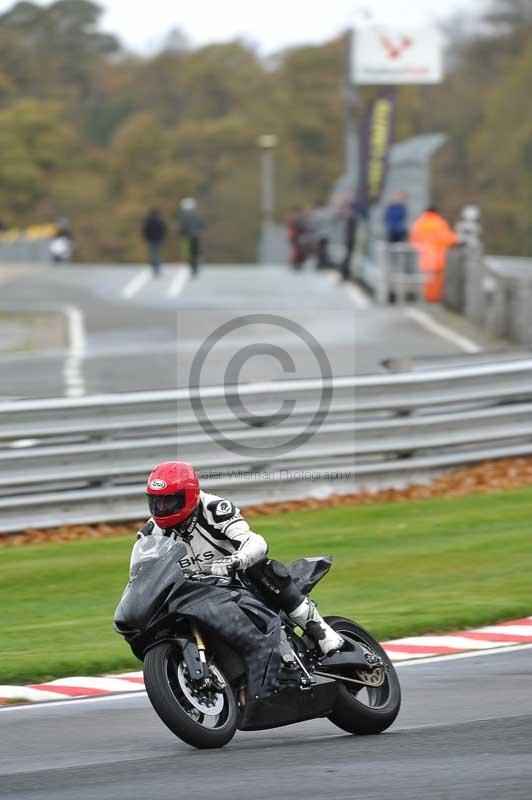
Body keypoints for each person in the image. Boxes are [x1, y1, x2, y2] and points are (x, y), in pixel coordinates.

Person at [137, 461, 344, 657]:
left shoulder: (214, 509)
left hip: (237, 582)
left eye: (169, 501)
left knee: (262, 568)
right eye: (157, 501)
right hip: (195, 592)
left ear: (189, 496)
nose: (162, 508)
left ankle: (320, 629)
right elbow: (141, 572)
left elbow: (255, 542)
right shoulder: (150, 533)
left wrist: (236, 560)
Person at [410, 206, 458, 302]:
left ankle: (422, 298)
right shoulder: (439, 223)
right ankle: (433, 300)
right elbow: (448, 239)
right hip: (437, 258)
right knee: (435, 281)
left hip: (421, 258)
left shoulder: (418, 223)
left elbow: (413, 240)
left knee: (424, 280)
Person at [179, 197, 203, 276]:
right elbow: (201, 224)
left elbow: (183, 226)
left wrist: (181, 233)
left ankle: (193, 267)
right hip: (196, 236)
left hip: (187, 237)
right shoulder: (196, 214)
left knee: (188, 253)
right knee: (195, 253)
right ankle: (195, 267)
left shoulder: (184, 215)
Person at [142, 208, 167, 277]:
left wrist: (146, 238)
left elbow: (145, 230)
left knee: (152, 255)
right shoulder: (160, 220)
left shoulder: (148, 220)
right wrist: (163, 238)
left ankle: (155, 268)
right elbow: (164, 230)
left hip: (151, 240)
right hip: (158, 240)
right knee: (157, 254)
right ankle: (157, 268)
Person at [286, 207, 308, 271]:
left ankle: (297, 262)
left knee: (297, 249)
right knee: (297, 249)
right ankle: (296, 262)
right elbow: (300, 226)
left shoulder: (292, 217)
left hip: (294, 235)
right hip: (295, 235)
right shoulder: (294, 218)